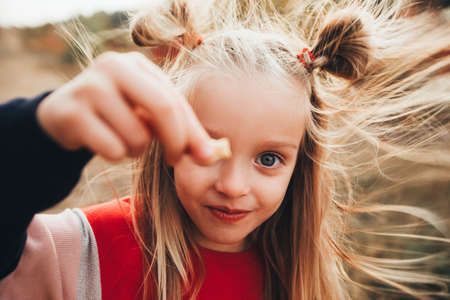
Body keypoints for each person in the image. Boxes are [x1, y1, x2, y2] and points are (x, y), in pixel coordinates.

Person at [1, 0, 449, 299]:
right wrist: (35, 138)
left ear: (302, 166)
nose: (233, 186)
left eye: (269, 159)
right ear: (165, 139)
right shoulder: (77, 252)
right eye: (210, 146)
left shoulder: (299, 276)